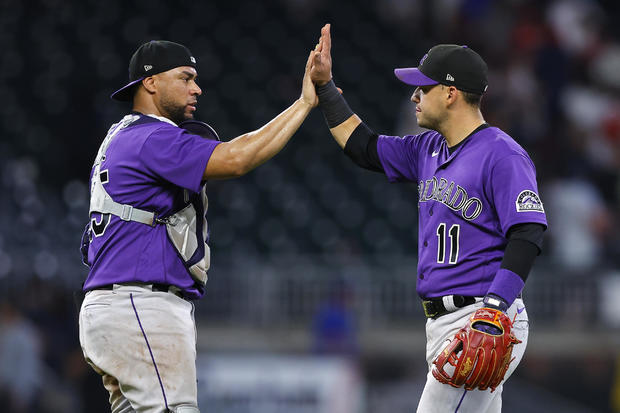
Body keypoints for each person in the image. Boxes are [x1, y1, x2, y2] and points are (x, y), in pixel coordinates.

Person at [310, 24, 547, 412]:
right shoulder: (428, 149)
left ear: (451, 93)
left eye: (424, 87)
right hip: (443, 323)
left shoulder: (502, 154)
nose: (415, 96)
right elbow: (363, 148)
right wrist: (325, 88)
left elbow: (528, 231)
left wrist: (494, 308)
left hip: (481, 318)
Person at [78, 40, 317, 413]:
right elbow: (236, 159)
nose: (196, 88)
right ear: (151, 83)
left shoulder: (122, 135)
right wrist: (303, 104)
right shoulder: (152, 137)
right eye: (185, 77)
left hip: (116, 305)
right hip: (141, 304)